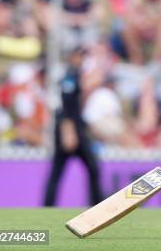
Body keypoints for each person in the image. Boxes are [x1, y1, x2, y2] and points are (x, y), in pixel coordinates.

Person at [43, 48, 103, 206]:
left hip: (75, 127)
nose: (82, 60)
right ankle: (96, 203)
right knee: (84, 168)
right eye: (80, 56)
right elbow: (66, 105)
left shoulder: (75, 75)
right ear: (73, 57)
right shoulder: (69, 75)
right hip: (69, 129)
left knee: (87, 168)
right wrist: (68, 132)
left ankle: (48, 205)